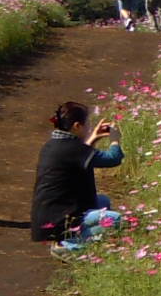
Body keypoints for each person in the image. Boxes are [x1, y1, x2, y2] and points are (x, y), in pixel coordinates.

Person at [30, 100, 125, 249]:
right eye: (87, 124)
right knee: (116, 219)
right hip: (61, 219)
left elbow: (79, 157)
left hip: (49, 214)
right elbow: (113, 159)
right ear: (77, 126)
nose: (89, 128)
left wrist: (94, 138)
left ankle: (73, 238)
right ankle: (69, 245)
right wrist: (115, 139)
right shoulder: (72, 148)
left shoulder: (53, 145)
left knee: (103, 201)